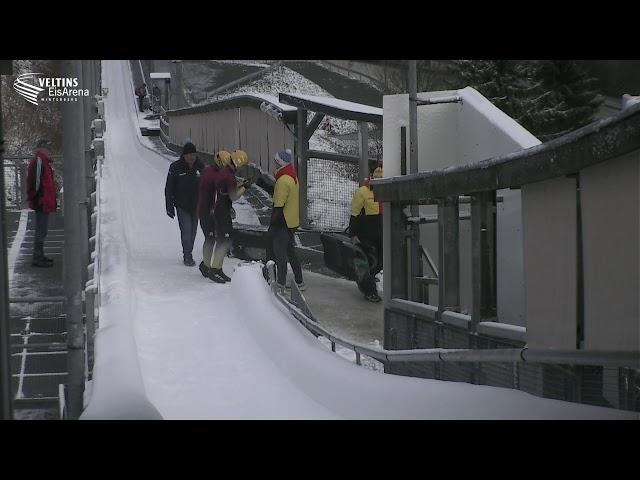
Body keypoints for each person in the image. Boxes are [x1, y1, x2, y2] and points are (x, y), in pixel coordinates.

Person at [209, 149, 253, 283]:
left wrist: (241, 184)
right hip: (223, 211)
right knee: (225, 241)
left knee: (222, 240)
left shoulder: (225, 172)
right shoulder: (229, 177)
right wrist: (245, 187)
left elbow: (229, 189)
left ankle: (217, 268)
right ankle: (214, 269)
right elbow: (234, 196)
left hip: (220, 209)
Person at [266, 149, 305, 292]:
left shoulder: (283, 180)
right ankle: (299, 281)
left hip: (282, 222)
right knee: (290, 251)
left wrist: (273, 224)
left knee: (279, 253)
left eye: (274, 162)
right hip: (292, 221)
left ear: (278, 163)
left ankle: (280, 284)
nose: (272, 165)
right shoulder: (292, 177)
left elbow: (279, 205)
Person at [347, 161, 383, 302]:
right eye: (377, 177)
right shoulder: (362, 192)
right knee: (367, 261)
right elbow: (354, 213)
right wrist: (353, 233)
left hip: (380, 232)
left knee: (379, 262)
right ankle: (369, 290)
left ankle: (367, 280)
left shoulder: (385, 191)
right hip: (366, 233)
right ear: (371, 175)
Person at [165, 141, 205, 266]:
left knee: (193, 233)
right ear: (184, 156)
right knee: (186, 232)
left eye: (194, 154)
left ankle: (189, 251)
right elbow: (169, 187)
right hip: (182, 206)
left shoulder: (200, 167)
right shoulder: (176, 167)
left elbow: (206, 186)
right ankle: (187, 255)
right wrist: (169, 206)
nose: (192, 157)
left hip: (196, 206)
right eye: (189, 155)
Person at [26, 139, 58, 268]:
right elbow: (36, 182)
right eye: (48, 148)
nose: (50, 151)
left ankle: (39, 255)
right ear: (43, 149)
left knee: (42, 230)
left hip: (43, 200)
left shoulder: (42, 161)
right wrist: (37, 198)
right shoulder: (39, 161)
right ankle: (37, 257)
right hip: (41, 201)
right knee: (40, 230)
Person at [197, 151, 222, 279]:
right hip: (207, 211)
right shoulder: (213, 175)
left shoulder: (208, 171)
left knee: (210, 238)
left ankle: (206, 264)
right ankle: (205, 266)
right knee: (211, 238)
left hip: (206, 210)